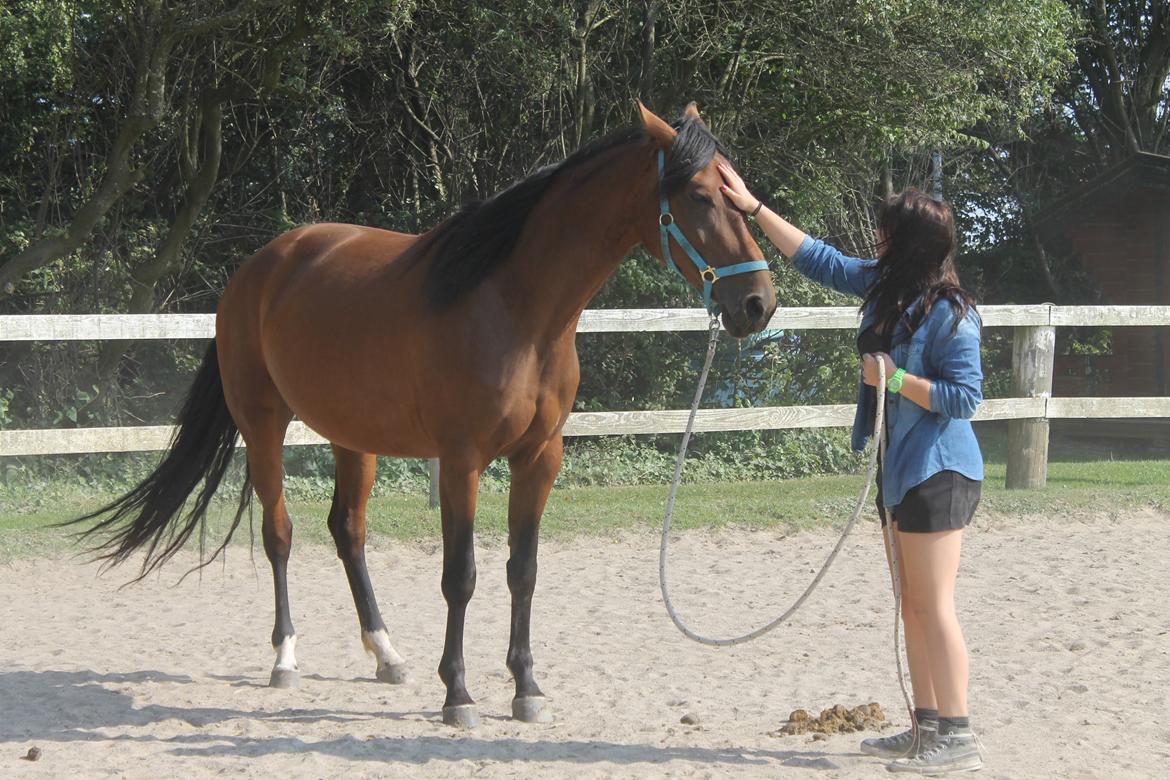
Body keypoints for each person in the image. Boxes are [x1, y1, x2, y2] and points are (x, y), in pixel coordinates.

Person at [718, 165, 984, 774]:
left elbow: (966, 398)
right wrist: (755, 209)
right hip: (900, 470)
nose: (876, 241)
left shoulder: (952, 314)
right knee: (910, 604)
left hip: (939, 470)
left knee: (934, 605)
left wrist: (897, 380)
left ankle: (959, 735)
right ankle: (927, 726)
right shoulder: (888, 290)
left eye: (887, 233)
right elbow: (820, 259)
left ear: (910, 243)